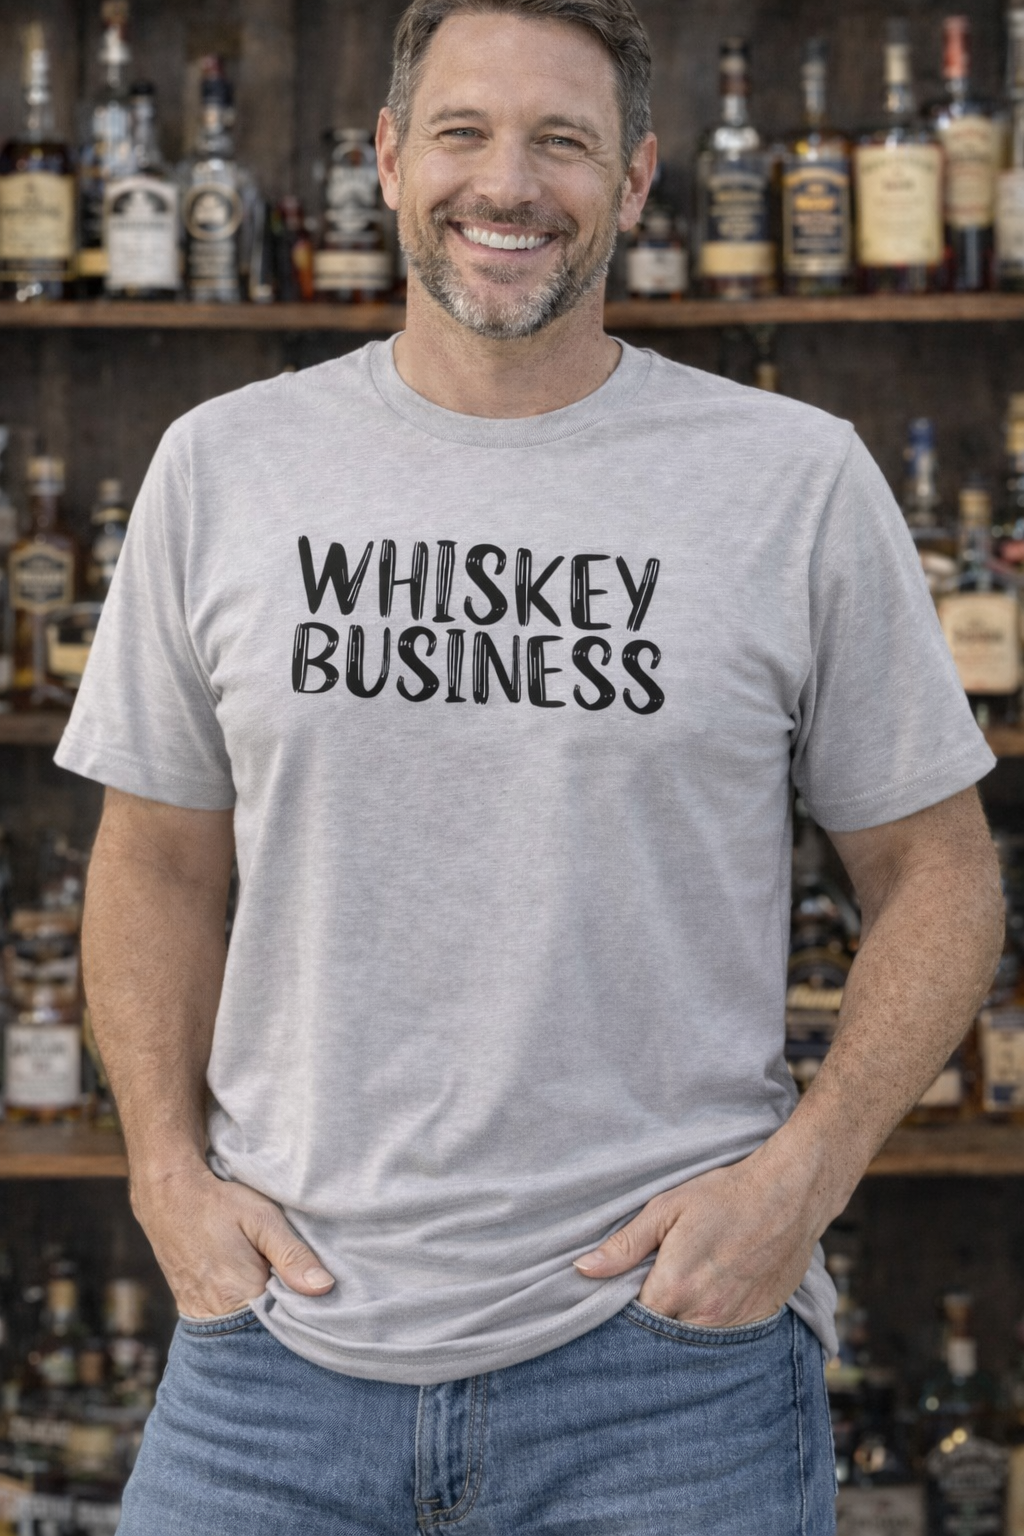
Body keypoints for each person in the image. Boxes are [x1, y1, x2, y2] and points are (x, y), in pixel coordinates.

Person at [57, 1, 1003, 1532]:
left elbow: (942, 876)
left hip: (664, 1371)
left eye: (562, 140)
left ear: (634, 180)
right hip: (271, 1357)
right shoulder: (223, 466)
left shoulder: (794, 480)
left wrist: (804, 1182)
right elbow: (154, 861)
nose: (508, 184)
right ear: (388, 159)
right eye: (463, 133)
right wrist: (163, 1174)